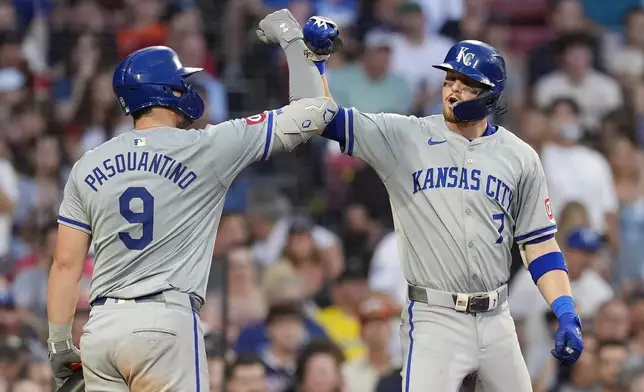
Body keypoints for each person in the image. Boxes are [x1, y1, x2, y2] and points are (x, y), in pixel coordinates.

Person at [45, 9, 338, 391]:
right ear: (166, 91)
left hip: (102, 326)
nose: (190, 89)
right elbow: (317, 112)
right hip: (165, 323)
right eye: (182, 82)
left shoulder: (88, 164)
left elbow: (66, 263)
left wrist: (59, 343)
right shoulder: (208, 147)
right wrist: (293, 41)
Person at [294, 18, 585, 392]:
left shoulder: (520, 156)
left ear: (491, 94)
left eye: (466, 84)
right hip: (434, 316)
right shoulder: (405, 135)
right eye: (449, 80)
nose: (453, 90)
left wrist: (565, 311)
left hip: (496, 315)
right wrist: (314, 61)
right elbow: (322, 120)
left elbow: (540, 245)